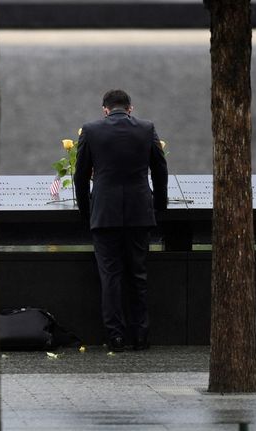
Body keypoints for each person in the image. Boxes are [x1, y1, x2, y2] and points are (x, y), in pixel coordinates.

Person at [74, 89, 168, 352]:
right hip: (139, 213)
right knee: (137, 275)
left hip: (104, 215)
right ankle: (140, 336)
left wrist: (86, 211)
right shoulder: (147, 129)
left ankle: (115, 337)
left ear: (105, 109)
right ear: (130, 108)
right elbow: (160, 171)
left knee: (111, 276)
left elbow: (80, 176)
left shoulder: (91, 131)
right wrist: (158, 207)